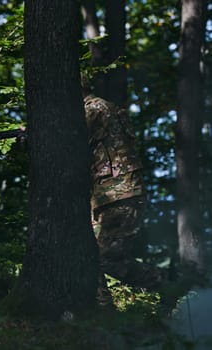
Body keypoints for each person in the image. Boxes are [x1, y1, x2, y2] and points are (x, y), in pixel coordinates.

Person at [82, 80, 164, 304]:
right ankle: (102, 310)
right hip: (108, 195)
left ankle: (167, 282)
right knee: (88, 256)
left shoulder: (94, 109)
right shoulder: (99, 109)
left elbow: (67, 139)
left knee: (104, 259)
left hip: (119, 194)